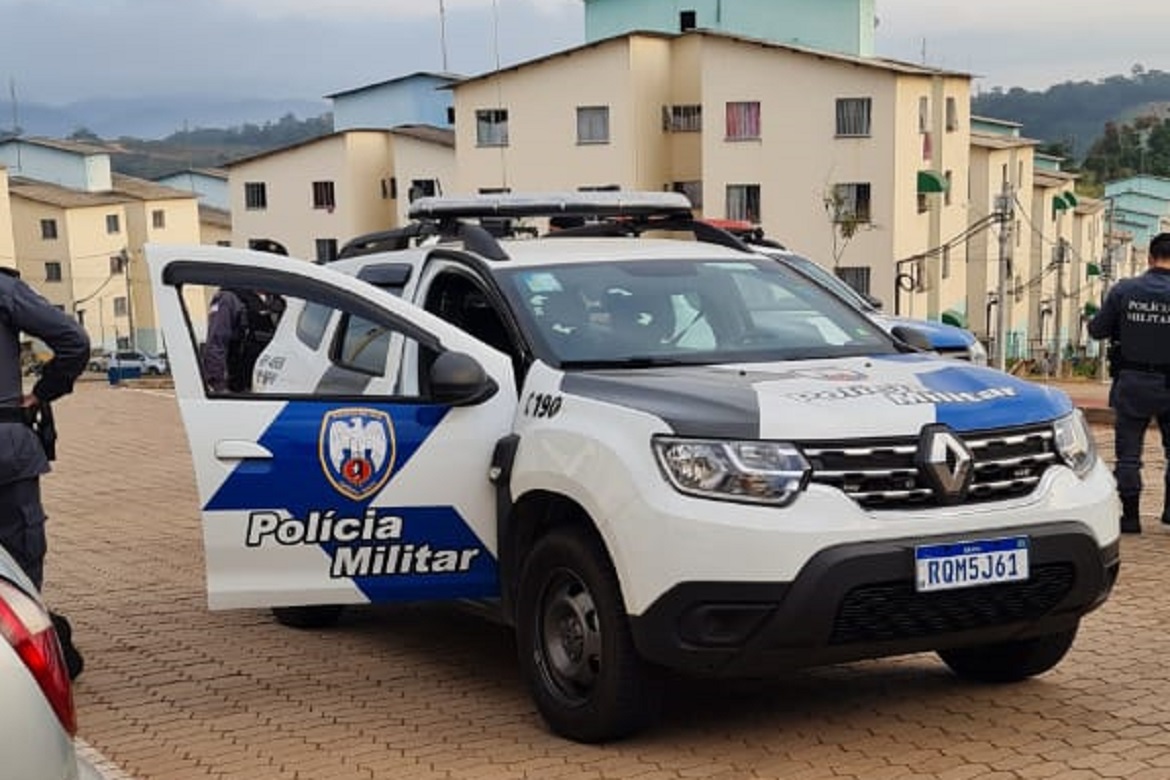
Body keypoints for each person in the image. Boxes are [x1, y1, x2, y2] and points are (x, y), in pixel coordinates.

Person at [0, 267, 89, 676]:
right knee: (20, 564)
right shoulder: (4, 288)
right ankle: (22, 667)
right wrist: (42, 391)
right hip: (6, 447)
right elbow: (73, 342)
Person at [1088, 232, 1170, 534]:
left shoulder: (1124, 290)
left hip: (1132, 382)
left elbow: (1097, 330)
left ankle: (1132, 517)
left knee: (1129, 455)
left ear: (1150, 258)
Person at [202, 288, 283, 393]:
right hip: (240, 388)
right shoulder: (229, 298)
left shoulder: (278, 299)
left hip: (267, 385)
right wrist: (219, 386)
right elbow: (216, 343)